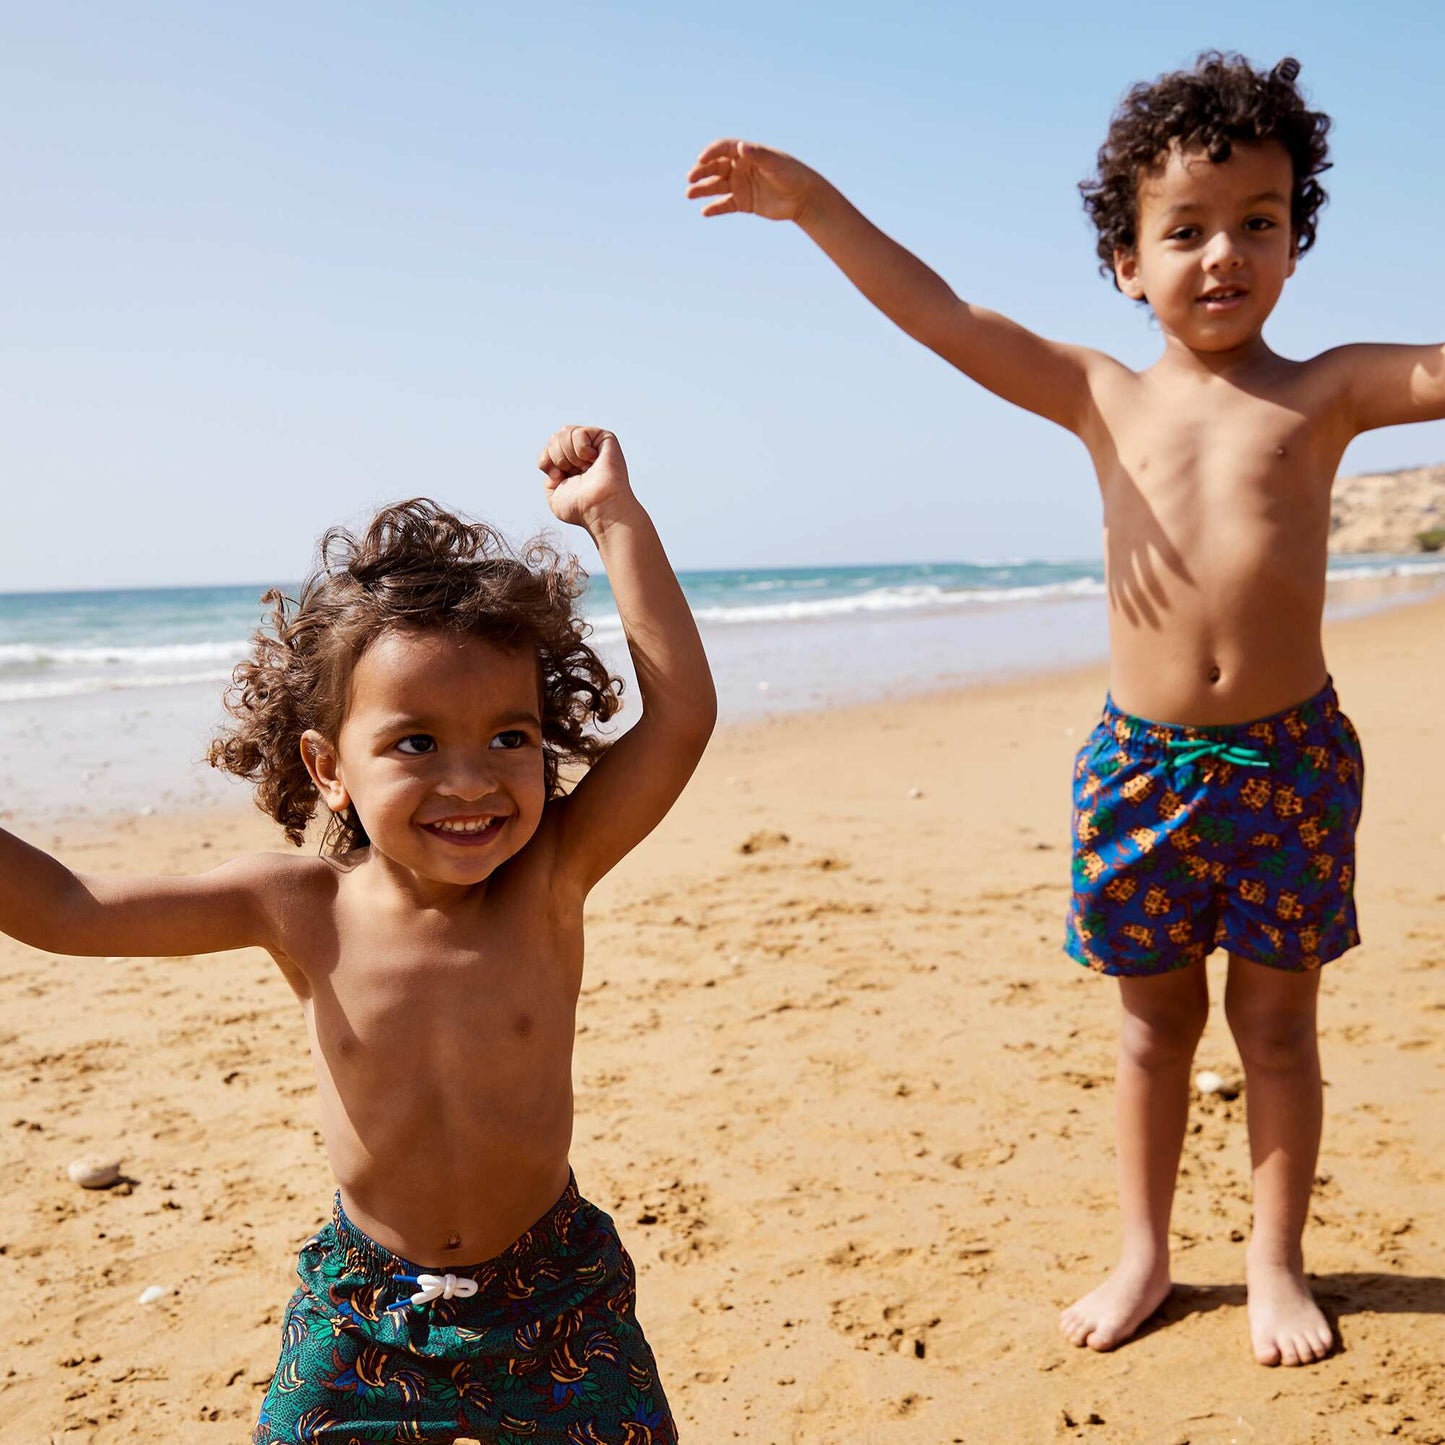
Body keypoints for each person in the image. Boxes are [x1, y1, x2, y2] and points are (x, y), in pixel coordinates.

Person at [686, 52, 1445, 1367]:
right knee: (1154, 1028)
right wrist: (812, 205)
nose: (1223, 255)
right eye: (1186, 230)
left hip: (1292, 760)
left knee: (1275, 1026)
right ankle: (1145, 1252)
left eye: (1256, 223)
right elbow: (943, 315)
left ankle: (1273, 1260)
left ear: (1295, 243)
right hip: (1139, 769)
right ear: (1124, 264)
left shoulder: (1326, 392)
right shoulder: (1101, 394)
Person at [1, 426, 713, 1441]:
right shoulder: (297, 906)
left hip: (559, 1290)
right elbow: (63, 910)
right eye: (415, 741)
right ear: (329, 764)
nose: (469, 778)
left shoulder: (552, 873)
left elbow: (679, 713)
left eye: (507, 736)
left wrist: (612, 517)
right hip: (366, 1309)